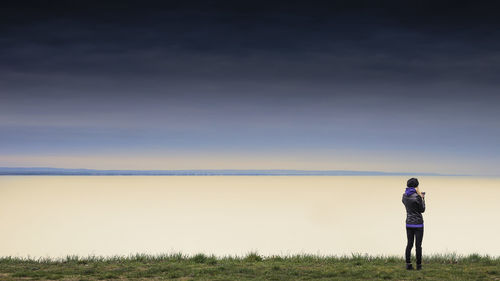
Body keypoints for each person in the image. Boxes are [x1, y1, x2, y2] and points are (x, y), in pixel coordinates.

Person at [402, 177, 425, 270]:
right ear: (416, 186)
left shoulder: (404, 196)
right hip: (418, 224)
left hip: (408, 223)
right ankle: (419, 266)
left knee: (409, 244)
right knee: (418, 245)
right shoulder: (417, 196)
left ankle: (408, 264)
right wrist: (423, 198)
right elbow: (422, 210)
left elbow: (406, 203)